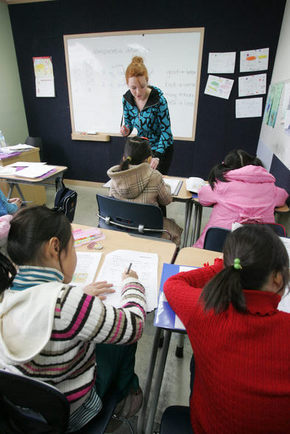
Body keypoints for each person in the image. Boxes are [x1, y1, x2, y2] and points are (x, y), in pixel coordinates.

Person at [0, 206, 146, 432]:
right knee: (121, 341)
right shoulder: (68, 302)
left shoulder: (6, 291)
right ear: (55, 247)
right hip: (73, 412)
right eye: (73, 247)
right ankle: (128, 398)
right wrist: (132, 285)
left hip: (21, 411)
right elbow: (134, 326)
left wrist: (78, 297)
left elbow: (46, 304)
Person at [164, 224, 290, 433]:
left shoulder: (205, 312)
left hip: (207, 427)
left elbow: (173, 284)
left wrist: (221, 268)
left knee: (199, 360)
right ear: (277, 279)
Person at [194, 149, 288, 248]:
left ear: (226, 166)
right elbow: (283, 197)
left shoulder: (222, 186)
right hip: (259, 249)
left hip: (219, 246)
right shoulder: (271, 188)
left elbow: (202, 197)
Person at [107, 136, 182, 246]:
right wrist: (167, 187)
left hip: (122, 226)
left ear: (124, 158)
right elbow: (166, 200)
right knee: (173, 228)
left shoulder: (116, 176)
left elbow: (112, 203)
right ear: (149, 159)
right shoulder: (155, 176)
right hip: (149, 229)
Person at [120, 56, 174, 175]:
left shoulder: (159, 100)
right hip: (143, 147)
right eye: (133, 88)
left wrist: (157, 156)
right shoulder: (126, 100)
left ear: (147, 81)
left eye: (142, 87)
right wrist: (126, 130)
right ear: (127, 84)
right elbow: (128, 123)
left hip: (162, 148)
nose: (138, 92)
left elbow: (166, 132)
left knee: (156, 182)